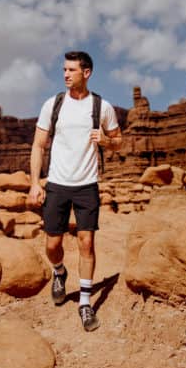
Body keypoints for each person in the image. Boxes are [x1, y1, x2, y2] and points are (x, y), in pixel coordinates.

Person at [28, 51, 122, 332]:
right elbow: (39, 145)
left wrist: (105, 140)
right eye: (64, 70)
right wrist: (35, 182)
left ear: (87, 72)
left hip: (87, 185)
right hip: (57, 184)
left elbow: (119, 141)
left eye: (71, 70)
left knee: (86, 243)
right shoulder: (53, 104)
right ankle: (59, 272)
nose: (66, 74)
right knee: (53, 245)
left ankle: (84, 303)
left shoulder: (100, 107)